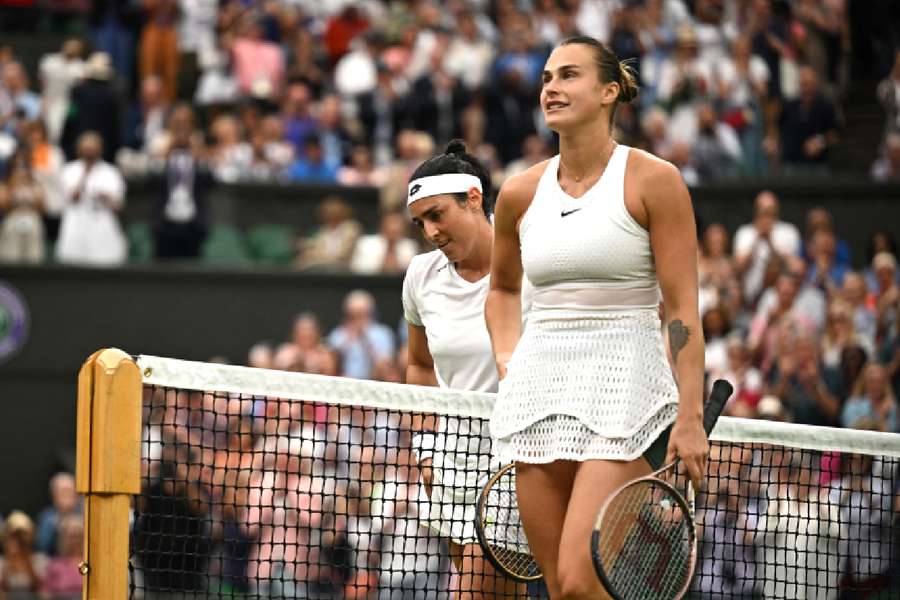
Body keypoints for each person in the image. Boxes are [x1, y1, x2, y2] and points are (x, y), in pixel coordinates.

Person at [485, 37, 707, 599]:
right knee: (560, 592)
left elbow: (681, 310)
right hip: (537, 393)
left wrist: (690, 414)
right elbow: (503, 288)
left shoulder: (655, 180)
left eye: (568, 75)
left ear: (609, 92)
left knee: (583, 583)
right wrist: (510, 359)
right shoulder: (517, 193)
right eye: (545, 78)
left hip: (625, 391)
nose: (551, 88)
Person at [402, 139, 525, 598]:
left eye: (437, 215)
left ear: (473, 198)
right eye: (420, 223)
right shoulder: (420, 276)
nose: (430, 231)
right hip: (452, 463)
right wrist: (426, 448)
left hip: (519, 456)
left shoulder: (532, 261)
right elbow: (418, 365)